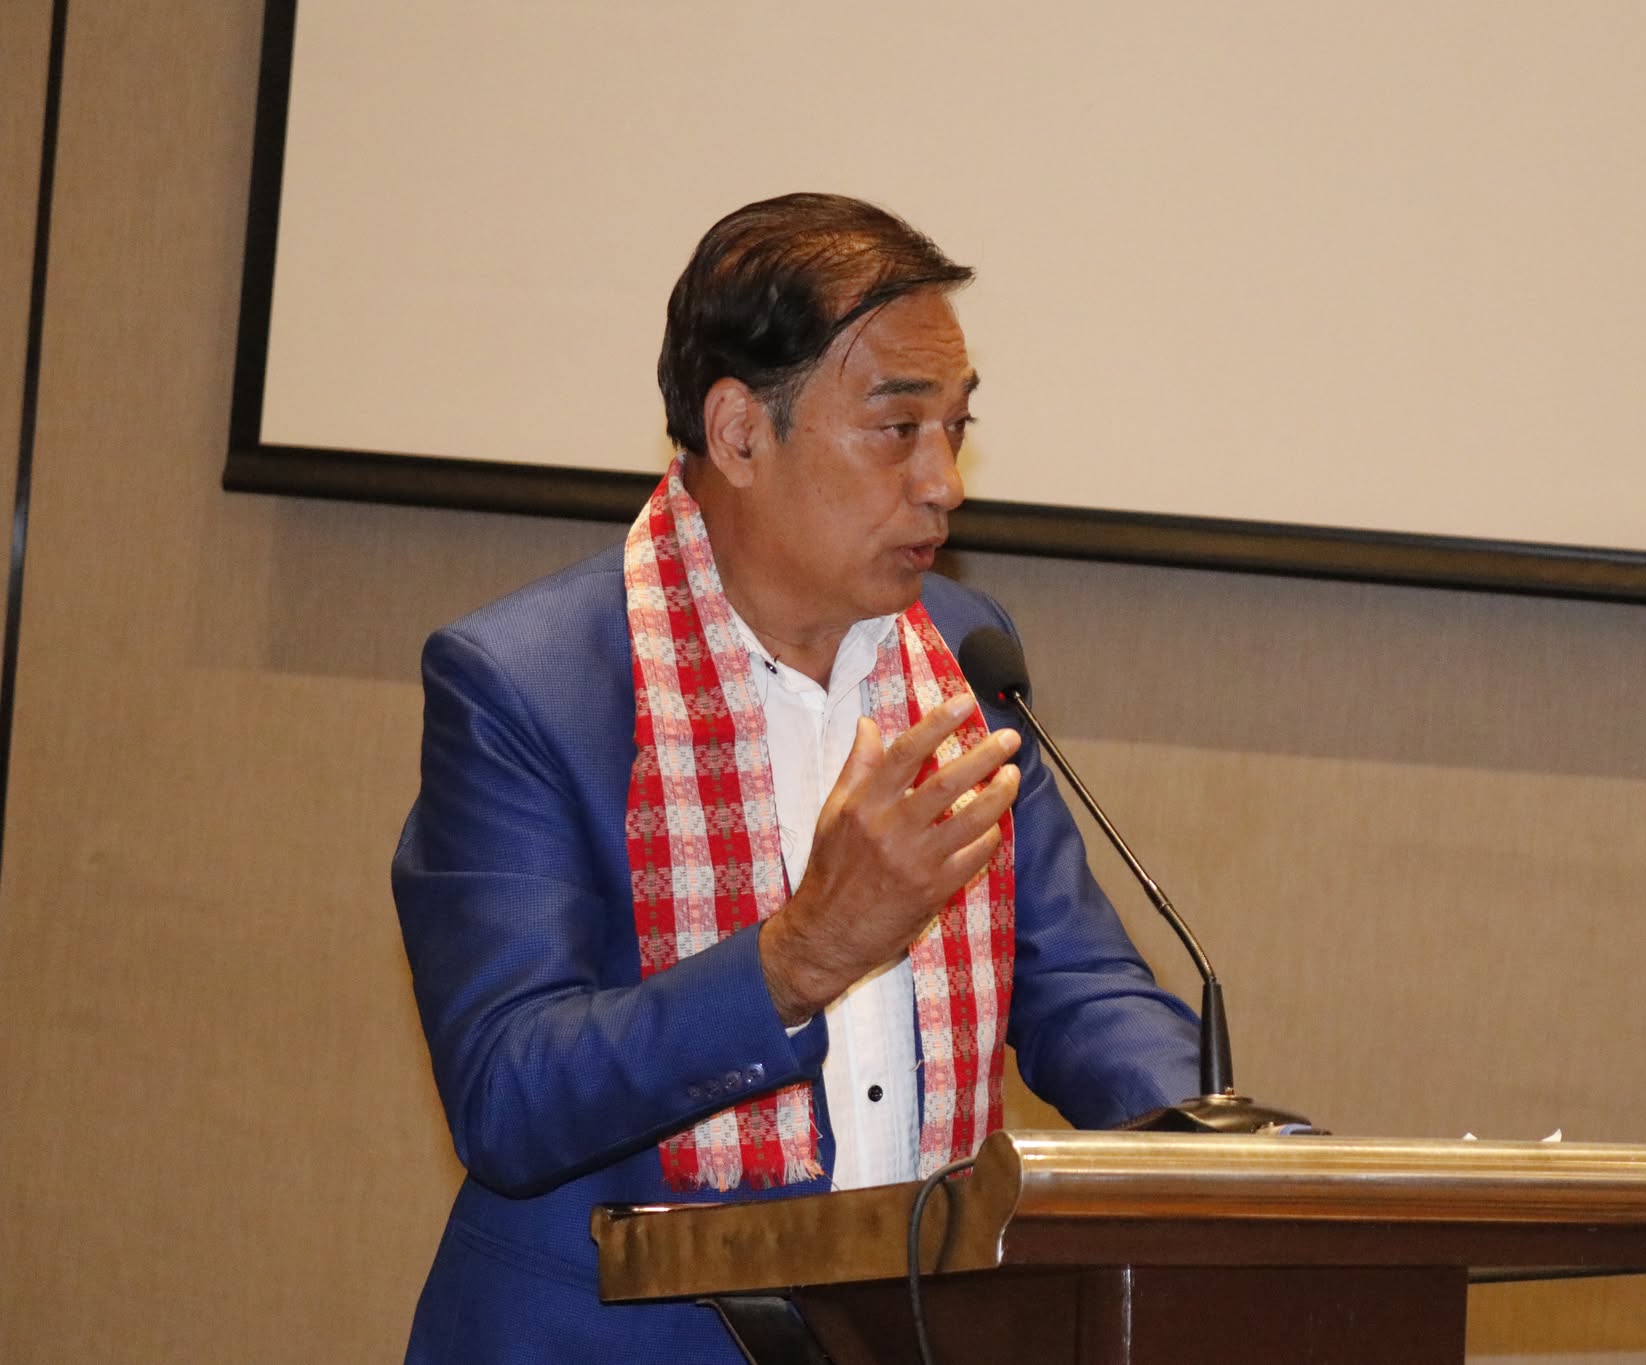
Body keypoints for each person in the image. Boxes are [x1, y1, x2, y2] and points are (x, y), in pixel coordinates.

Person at [392, 193, 1200, 1362]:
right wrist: (800, 955)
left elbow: (1076, 985)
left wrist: (1219, 1147)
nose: (944, 481)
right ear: (737, 434)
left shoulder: (961, 655)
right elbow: (508, 1095)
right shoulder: (529, 686)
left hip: (911, 1332)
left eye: (955, 428)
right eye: (896, 428)